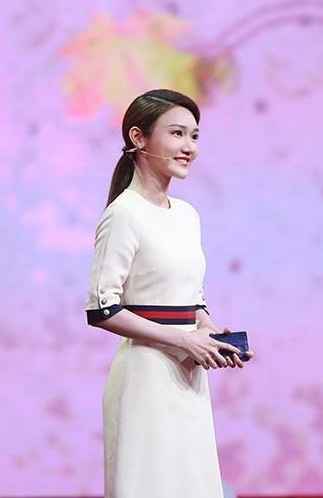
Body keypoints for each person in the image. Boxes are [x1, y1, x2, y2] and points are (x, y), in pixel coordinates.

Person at [85, 89, 254, 498]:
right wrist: (183, 340)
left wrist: (208, 334)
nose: (188, 147)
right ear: (138, 137)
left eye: (194, 136)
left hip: (189, 378)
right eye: (177, 133)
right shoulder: (123, 214)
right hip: (145, 377)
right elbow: (102, 308)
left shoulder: (188, 216)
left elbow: (193, 297)